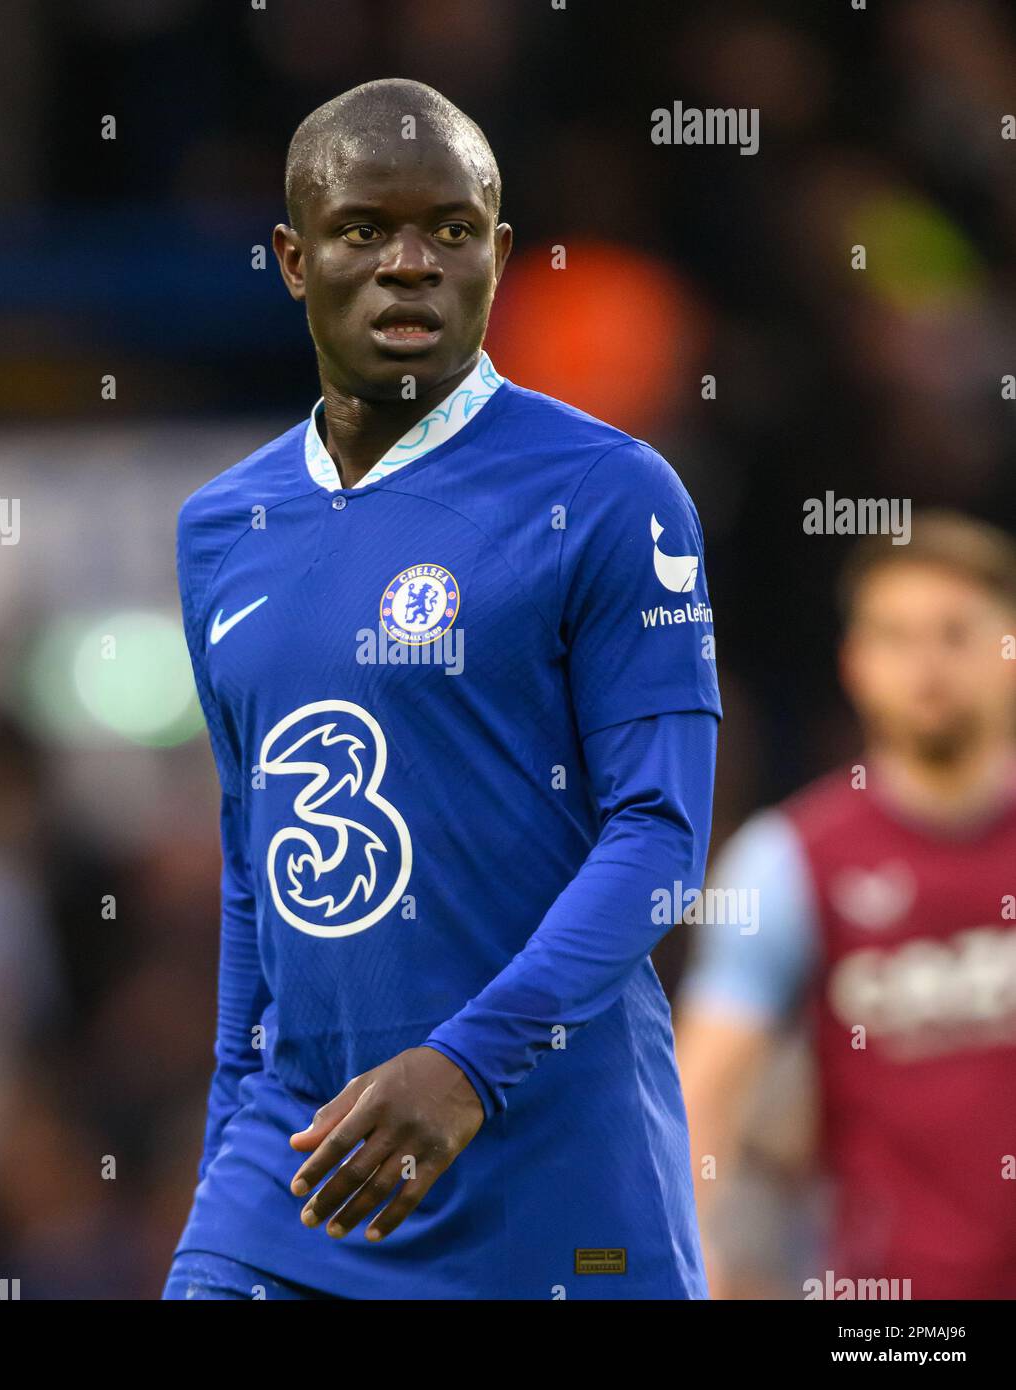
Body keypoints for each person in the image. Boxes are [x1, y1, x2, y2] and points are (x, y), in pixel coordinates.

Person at [165, 79, 721, 1300]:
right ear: (292, 259)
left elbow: (662, 834)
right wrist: (225, 1157)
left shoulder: (611, 492)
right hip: (301, 1171)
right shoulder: (221, 529)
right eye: (366, 229)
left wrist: (467, 1064)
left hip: (556, 1182)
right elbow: (257, 863)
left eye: (451, 231)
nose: (411, 262)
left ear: (499, 254)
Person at [677, 512, 1016, 1300]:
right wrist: (688, 1258)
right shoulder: (789, 862)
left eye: (955, 633)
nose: (926, 665)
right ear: (854, 663)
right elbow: (703, 1098)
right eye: (896, 638)